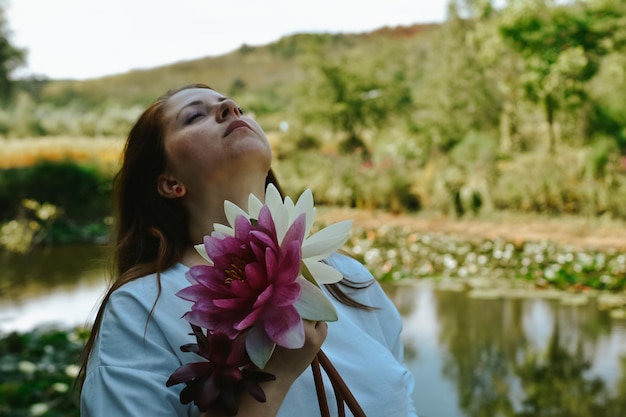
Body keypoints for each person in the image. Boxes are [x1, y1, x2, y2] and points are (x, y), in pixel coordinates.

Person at [78, 83, 418, 417]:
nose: (229, 107)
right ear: (170, 182)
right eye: (195, 116)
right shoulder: (140, 309)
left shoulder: (350, 278)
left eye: (237, 107)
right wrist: (276, 378)